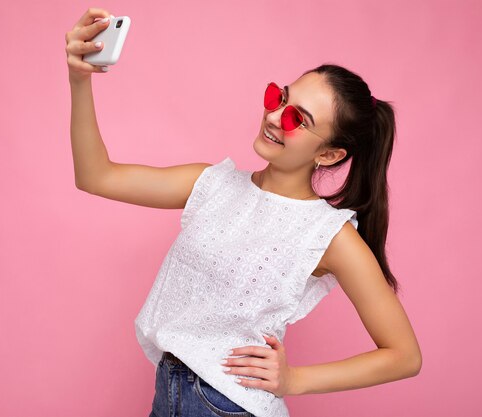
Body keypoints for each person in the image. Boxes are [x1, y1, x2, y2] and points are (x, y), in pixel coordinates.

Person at [65, 8, 422, 417]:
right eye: (279, 97)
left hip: (228, 406)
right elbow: (95, 177)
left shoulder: (330, 235)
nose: (273, 116)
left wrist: (296, 380)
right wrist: (80, 79)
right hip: (169, 395)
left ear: (329, 154)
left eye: (296, 119)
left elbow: (404, 355)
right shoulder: (213, 184)